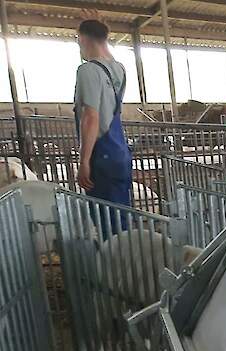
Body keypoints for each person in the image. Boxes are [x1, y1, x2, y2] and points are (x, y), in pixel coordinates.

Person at [75, 18, 132, 234]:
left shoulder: (87, 71)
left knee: (107, 219)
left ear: (82, 38)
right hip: (119, 152)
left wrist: (84, 161)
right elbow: (107, 54)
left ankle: (115, 261)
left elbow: (90, 117)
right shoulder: (119, 69)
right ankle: (128, 257)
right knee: (122, 215)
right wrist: (98, 26)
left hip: (101, 155)